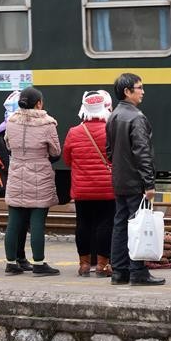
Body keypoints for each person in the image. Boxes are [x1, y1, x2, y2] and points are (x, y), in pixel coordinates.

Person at [106, 73, 163, 286]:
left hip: (119, 180)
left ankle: (119, 272)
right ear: (127, 91)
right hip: (135, 181)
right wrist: (149, 183)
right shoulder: (136, 118)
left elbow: (109, 151)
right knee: (138, 226)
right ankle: (138, 272)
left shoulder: (113, 116)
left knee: (120, 225)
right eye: (139, 88)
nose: (143, 92)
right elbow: (142, 152)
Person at [3, 87, 61, 276]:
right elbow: (56, 151)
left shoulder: (11, 122)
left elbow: (8, 145)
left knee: (13, 221)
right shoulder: (47, 124)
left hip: (16, 172)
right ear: (39, 103)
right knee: (37, 221)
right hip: (39, 175)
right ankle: (39, 263)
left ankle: (11, 263)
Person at [63, 90, 115, 277]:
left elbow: (67, 160)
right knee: (105, 225)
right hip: (106, 188)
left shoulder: (74, 132)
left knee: (83, 224)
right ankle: (102, 265)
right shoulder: (111, 131)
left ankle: (84, 265)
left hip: (82, 189)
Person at [0, 90, 32, 271]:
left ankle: (16, 259)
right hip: (17, 179)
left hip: (13, 179)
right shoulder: (10, 128)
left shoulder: (3, 128)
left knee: (18, 221)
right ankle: (16, 259)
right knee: (18, 221)